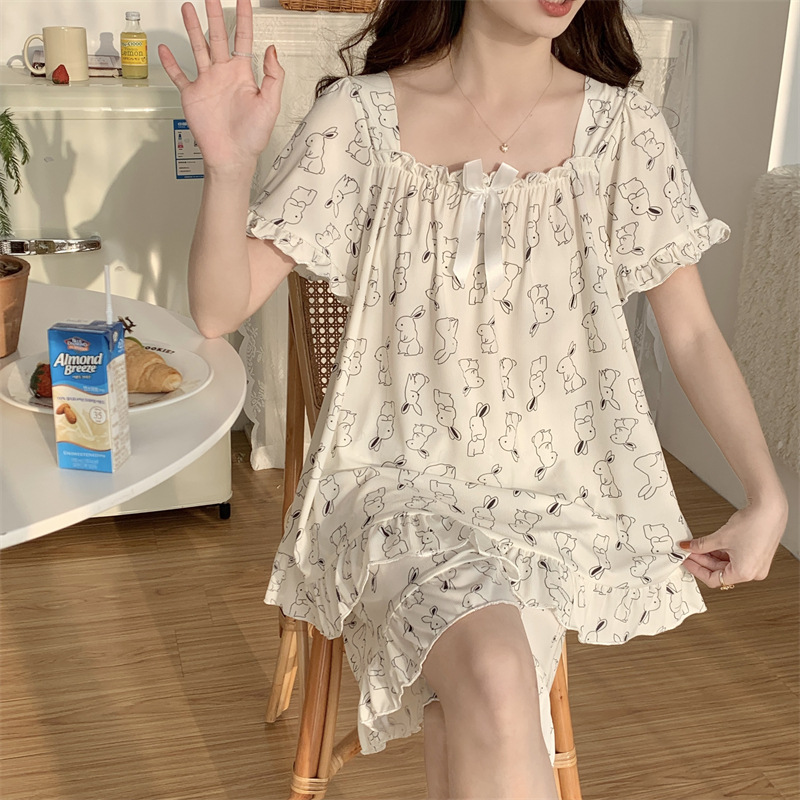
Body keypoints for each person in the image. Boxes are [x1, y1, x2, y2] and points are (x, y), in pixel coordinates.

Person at [159, 0, 789, 797]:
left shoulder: (624, 133)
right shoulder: (359, 118)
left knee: (485, 703)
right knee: (495, 674)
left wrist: (765, 495)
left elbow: (692, 334)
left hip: (558, 507)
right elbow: (218, 309)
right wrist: (228, 170)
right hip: (392, 491)